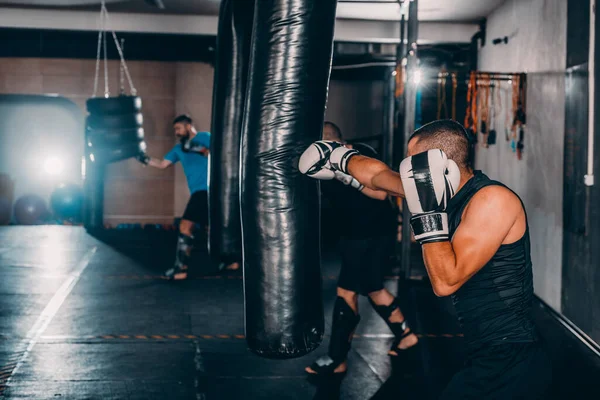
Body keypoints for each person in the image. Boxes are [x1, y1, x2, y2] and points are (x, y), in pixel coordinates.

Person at [301, 119, 551, 398]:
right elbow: (378, 176)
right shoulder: (436, 191)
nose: (407, 170)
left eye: (413, 162)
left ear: (439, 165)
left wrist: (427, 216)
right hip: (485, 351)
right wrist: (338, 158)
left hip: (511, 357)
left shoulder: (492, 199)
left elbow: (445, 282)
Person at [299, 121, 419, 376]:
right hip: (354, 235)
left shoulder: (361, 154)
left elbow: (380, 193)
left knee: (346, 293)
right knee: (374, 289)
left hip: (371, 235)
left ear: (333, 144)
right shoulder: (319, 164)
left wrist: (345, 175)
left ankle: (337, 358)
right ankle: (406, 335)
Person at [138, 114, 210, 280]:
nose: (176, 132)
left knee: (185, 227)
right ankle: (230, 261)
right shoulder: (178, 148)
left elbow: (216, 152)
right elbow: (163, 164)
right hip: (198, 191)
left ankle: (180, 270)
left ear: (188, 126)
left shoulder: (205, 137)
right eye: (175, 129)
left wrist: (195, 148)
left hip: (206, 189)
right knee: (212, 228)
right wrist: (144, 158)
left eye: (178, 128)